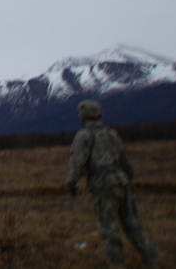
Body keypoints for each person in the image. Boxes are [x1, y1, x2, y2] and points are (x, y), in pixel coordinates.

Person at [64, 99, 158, 267]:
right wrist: (128, 178)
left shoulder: (84, 136)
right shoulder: (112, 134)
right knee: (132, 224)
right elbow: (125, 160)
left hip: (103, 186)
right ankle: (150, 258)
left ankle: (117, 264)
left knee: (110, 229)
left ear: (84, 117)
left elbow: (77, 161)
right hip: (121, 182)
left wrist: (70, 182)